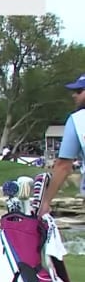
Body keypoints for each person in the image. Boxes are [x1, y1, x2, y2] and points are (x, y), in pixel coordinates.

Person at [38, 73, 85, 217]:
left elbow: (63, 166)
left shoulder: (78, 120)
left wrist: (45, 202)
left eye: (79, 91)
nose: (73, 96)